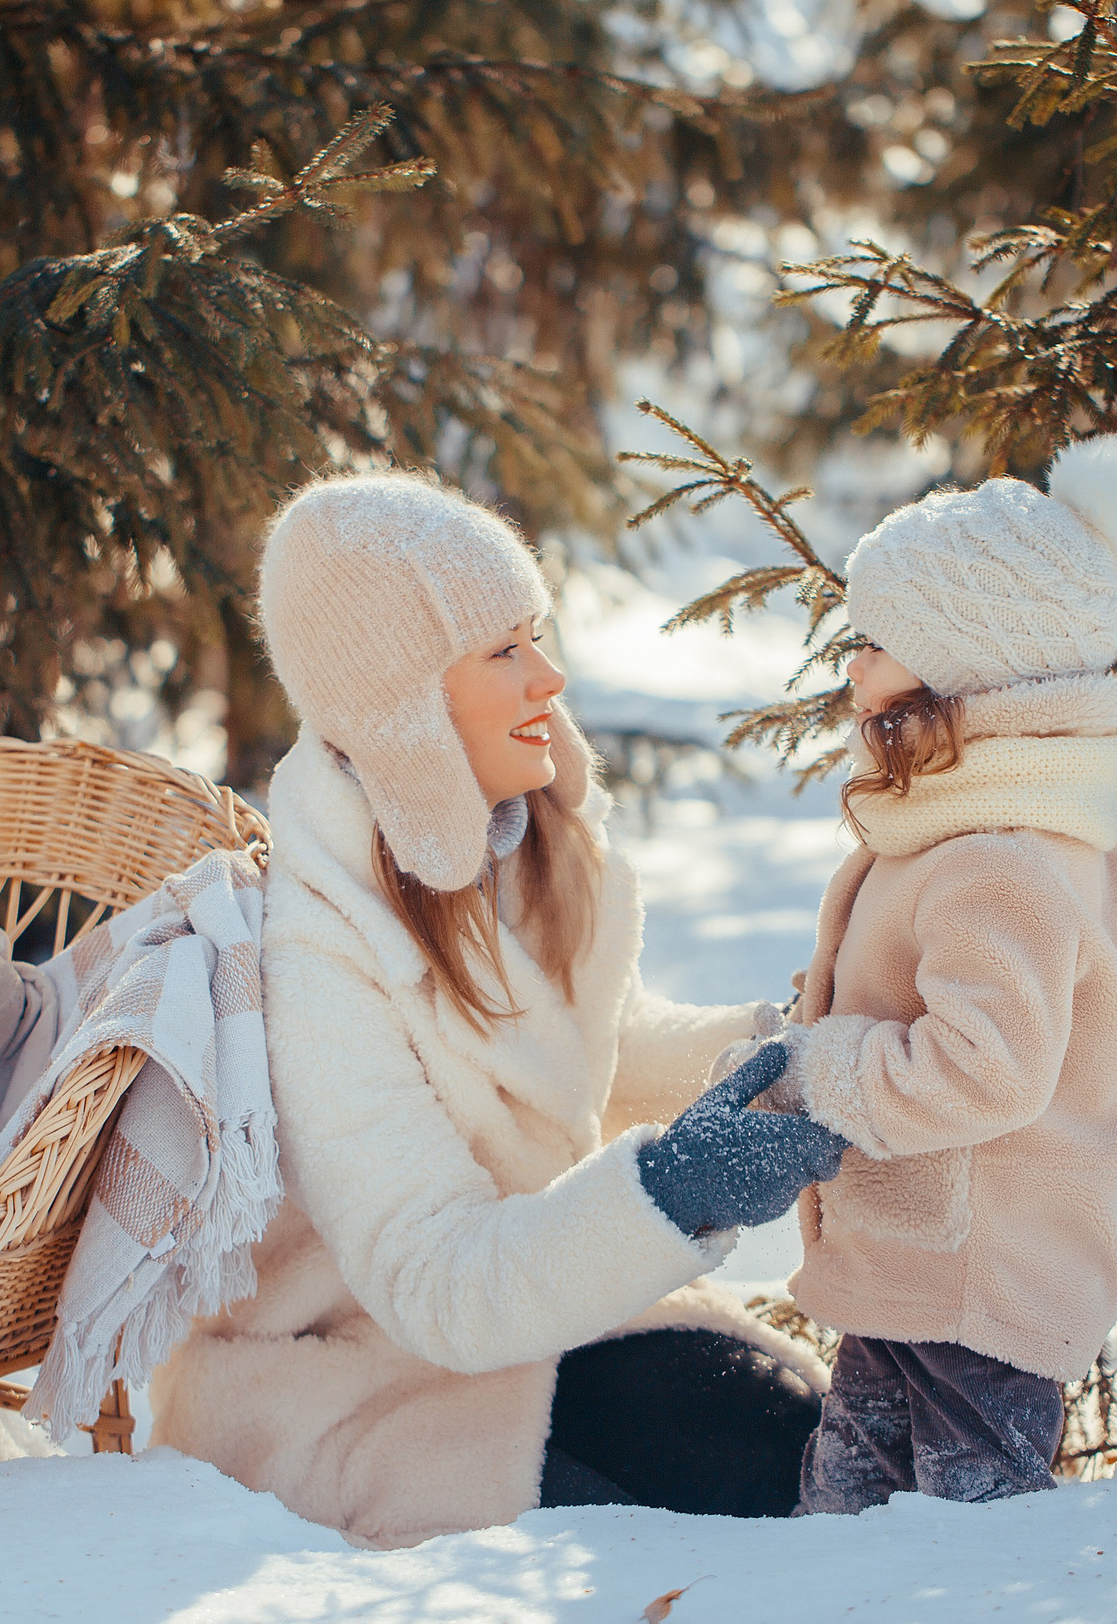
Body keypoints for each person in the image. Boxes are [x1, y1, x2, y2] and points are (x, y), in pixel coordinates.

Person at [150, 471, 847, 1549]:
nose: (550, 676)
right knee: (686, 1527)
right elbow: (431, 1274)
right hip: (354, 1367)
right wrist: (671, 1189)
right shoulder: (313, 954)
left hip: (524, 1312)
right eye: (505, 651)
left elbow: (583, 1049)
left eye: (536, 636)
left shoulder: (503, 844)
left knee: (776, 1430)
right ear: (404, 699)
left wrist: (771, 1049)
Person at [759, 433, 1117, 1515]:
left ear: (968, 663)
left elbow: (985, 1069)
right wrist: (785, 1058)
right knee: (841, 1536)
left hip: (976, 1292)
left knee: (968, 1550)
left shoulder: (1003, 854)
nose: (851, 667)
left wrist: (821, 1072)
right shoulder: (972, 828)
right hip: (913, 1273)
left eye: (876, 643)